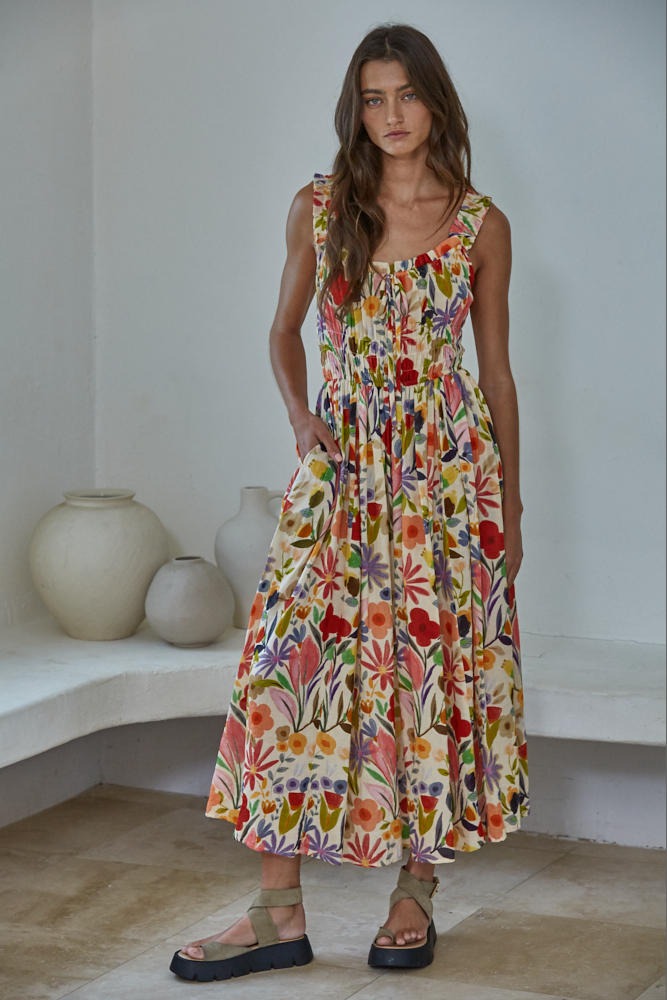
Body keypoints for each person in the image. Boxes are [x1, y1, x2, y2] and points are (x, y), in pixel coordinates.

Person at [170, 22, 530, 983]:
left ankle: (415, 891)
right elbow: (283, 331)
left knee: (429, 673)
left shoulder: (480, 223)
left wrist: (513, 514)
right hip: (343, 464)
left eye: (406, 95)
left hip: (448, 481)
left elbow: (494, 373)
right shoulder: (321, 207)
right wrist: (301, 419)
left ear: (436, 101)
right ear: (355, 109)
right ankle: (274, 912)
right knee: (284, 667)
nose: (391, 116)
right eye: (373, 98)